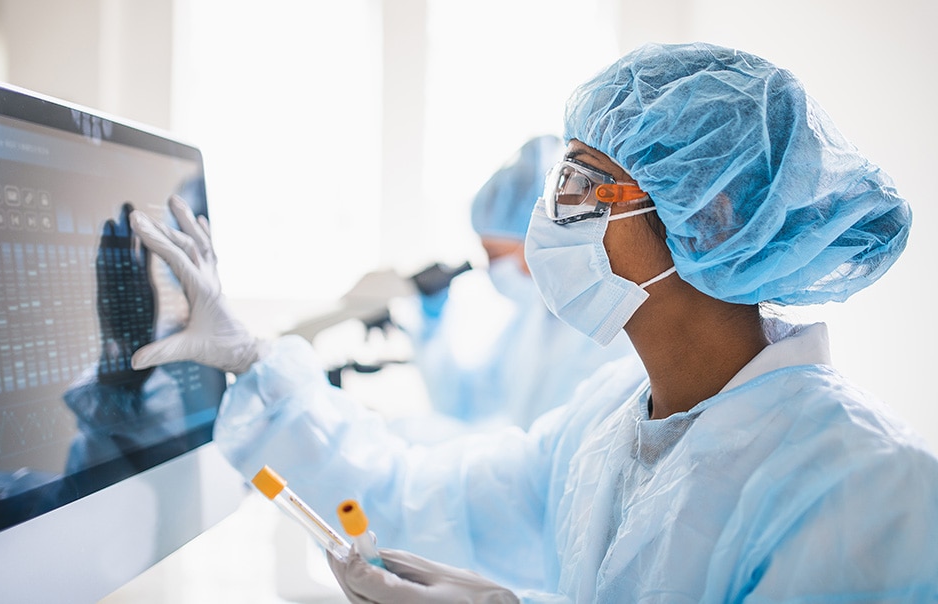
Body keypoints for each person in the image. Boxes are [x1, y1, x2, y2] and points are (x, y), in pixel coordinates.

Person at [129, 42, 938, 602]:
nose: (550, 223)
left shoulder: (866, 489)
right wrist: (252, 358)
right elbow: (415, 499)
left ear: (712, 217)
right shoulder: (605, 427)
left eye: (584, 189)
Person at [391, 134, 636, 436]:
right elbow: (467, 404)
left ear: (537, 239)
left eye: (496, 255)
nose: (491, 269)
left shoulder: (608, 328)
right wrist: (431, 325)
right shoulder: (535, 316)